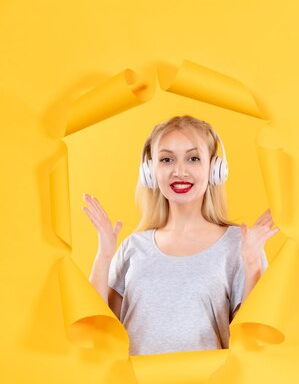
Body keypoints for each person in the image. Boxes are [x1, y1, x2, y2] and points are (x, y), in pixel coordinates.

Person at [81, 115, 279, 356]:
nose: (179, 171)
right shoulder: (133, 247)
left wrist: (252, 263)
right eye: (166, 159)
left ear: (215, 169)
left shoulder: (239, 244)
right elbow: (99, 333)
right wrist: (104, 256)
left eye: (193, 158)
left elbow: (251, 343)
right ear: (150, 172)